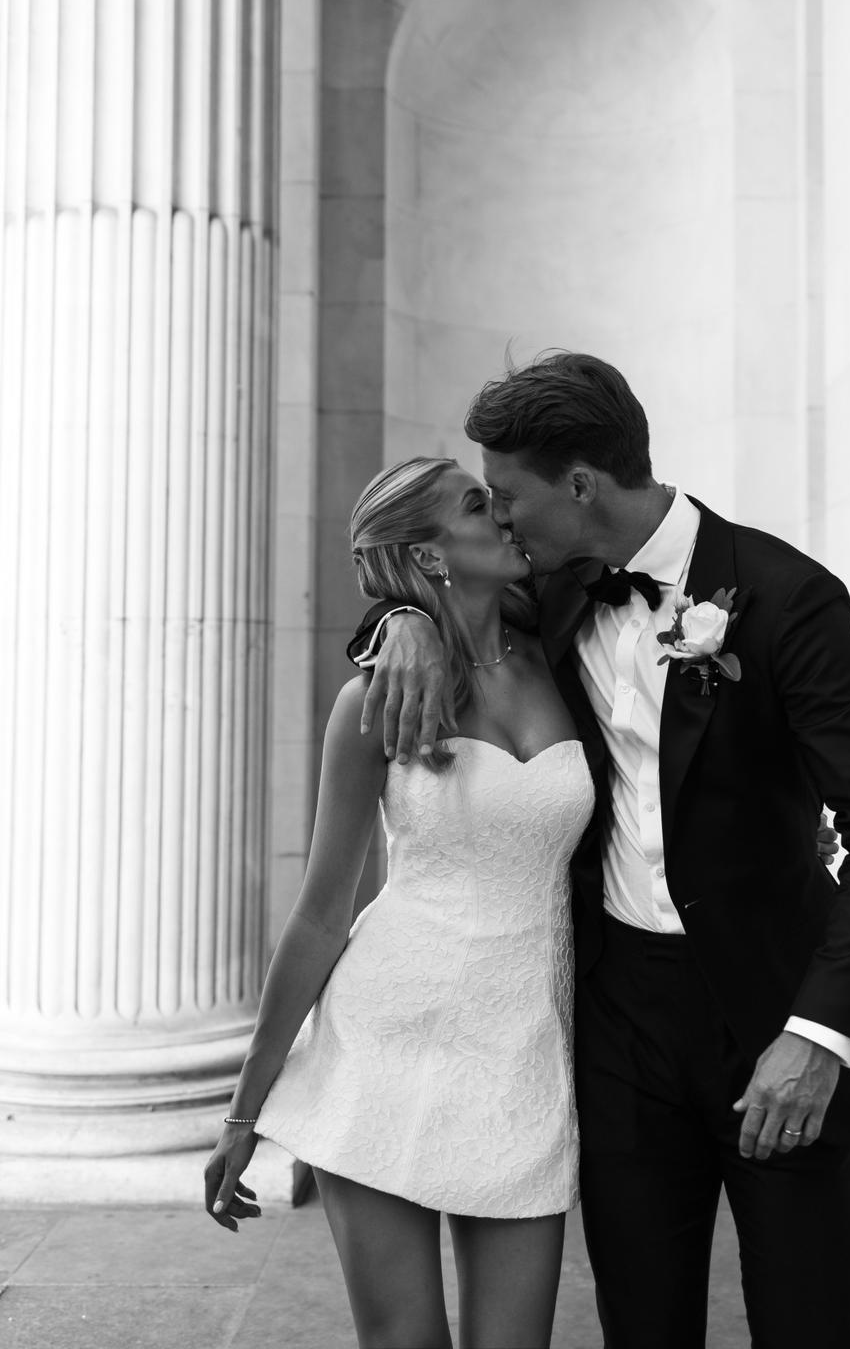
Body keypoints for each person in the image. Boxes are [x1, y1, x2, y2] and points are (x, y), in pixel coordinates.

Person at [351, 351, 850, 1349]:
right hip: (619, 1023)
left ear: (580, 486)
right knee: (642, 1326)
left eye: (508, 496)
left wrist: (820, 1032)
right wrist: (397, 620)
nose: (502, 520)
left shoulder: (785, 596)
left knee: (809, 1326)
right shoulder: (555, 590)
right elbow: (438, 591)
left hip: (774, 1015)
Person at [203, 455, 597, 1349]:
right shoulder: (373, 699)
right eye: (477, 504)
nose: (503, 513)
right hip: (383, 1041)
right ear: (427, 555)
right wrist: (245, 1110)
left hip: (522, 1056)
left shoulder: (567, 658)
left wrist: (404, 617)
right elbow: (321, 913)